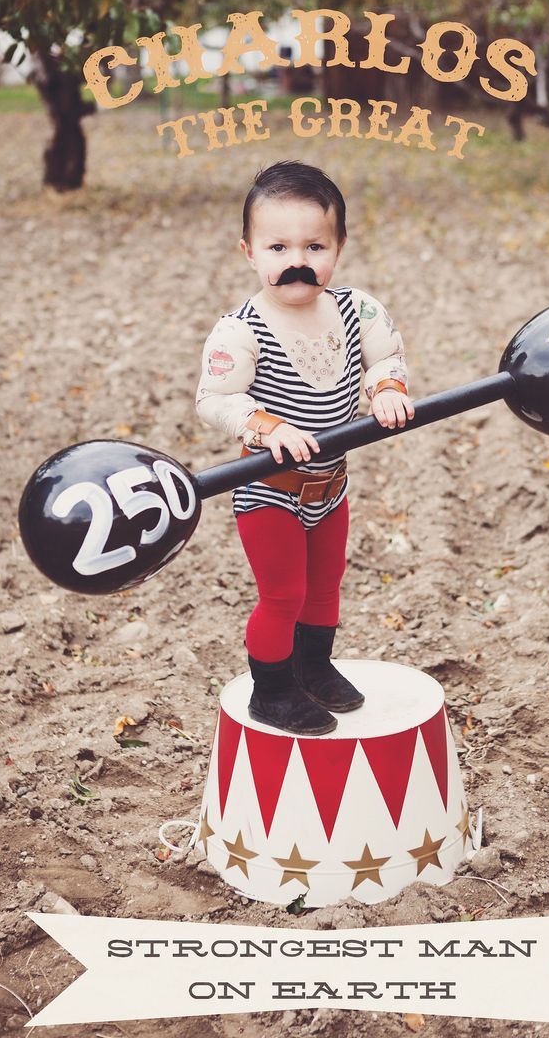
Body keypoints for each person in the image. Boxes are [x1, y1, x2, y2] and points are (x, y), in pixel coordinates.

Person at [196, 161, 414, 735]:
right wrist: (266, 426)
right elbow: (215, 399)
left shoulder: (356, 311)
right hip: (269, 488)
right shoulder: (241, 330)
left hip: (330, 483)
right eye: (277, 246)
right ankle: (272, 691)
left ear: (338, 247)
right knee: (284, 592)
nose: (297, 261)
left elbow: (385, 357)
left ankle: (313, 668)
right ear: (249, 252)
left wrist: (387, 389)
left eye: (315, 245)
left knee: (324, 586)